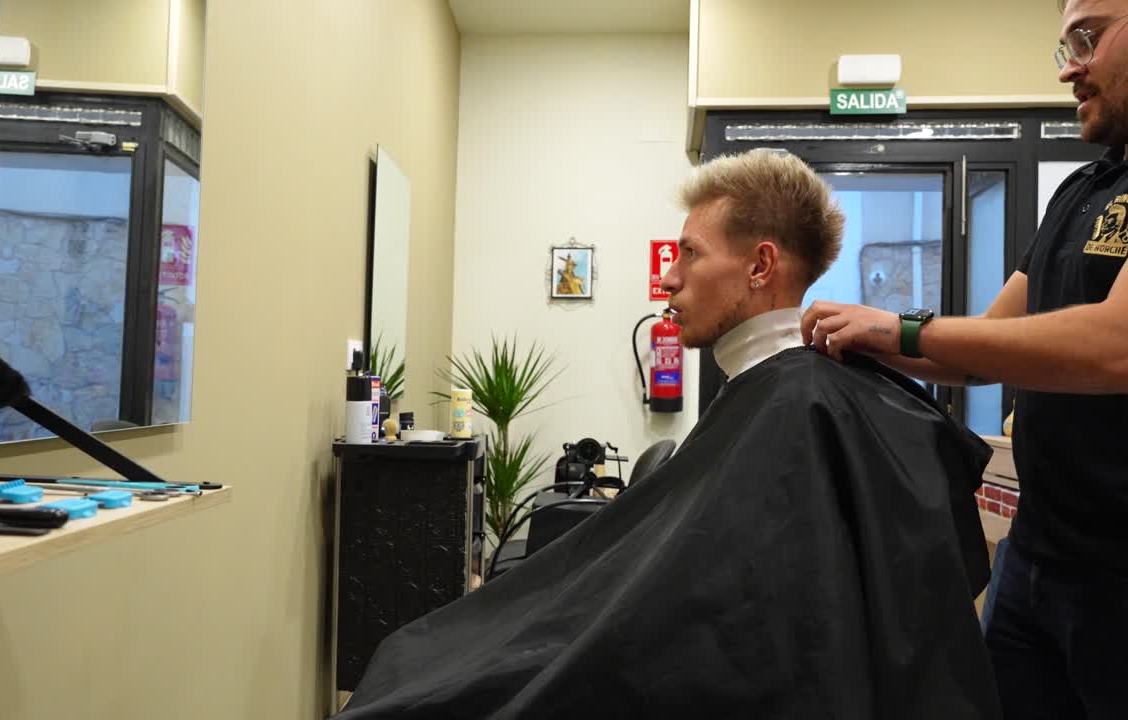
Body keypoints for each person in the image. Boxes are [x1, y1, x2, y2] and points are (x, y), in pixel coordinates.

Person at [337, 151, 999, 719]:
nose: (669, 277)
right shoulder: (777, 393)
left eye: (689, 253)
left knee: (422, 674)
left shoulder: (798, 406)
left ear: (760, 266)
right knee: (419, 657)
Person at [799, 1, 1128, 717]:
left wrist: (901, 330)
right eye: (1062, 47)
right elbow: (982, 349)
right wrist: (867, 344)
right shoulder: (1080, 191)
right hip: (1036, 564)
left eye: (1088, 38)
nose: (1070, 66)